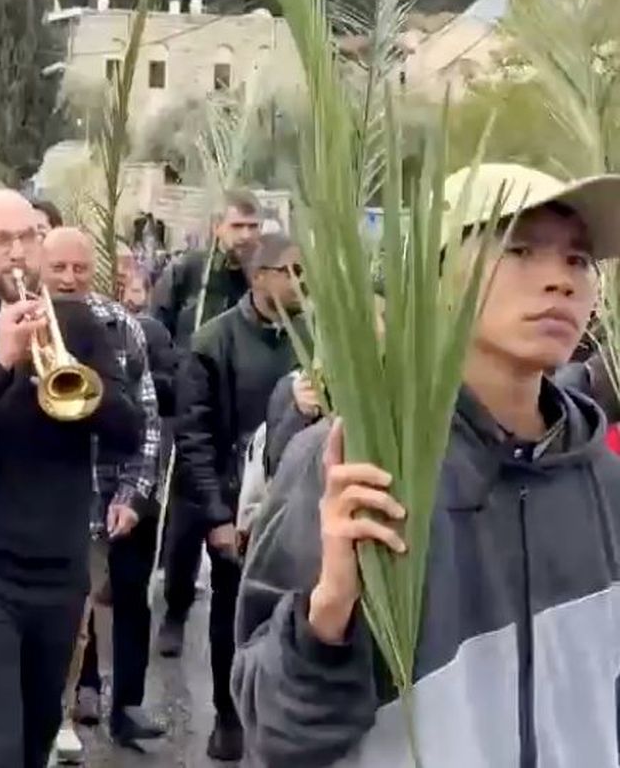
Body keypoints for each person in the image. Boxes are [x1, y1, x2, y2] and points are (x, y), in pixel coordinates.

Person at [236, 164, 620, 765]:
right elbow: (274, 731)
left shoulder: (602, 479)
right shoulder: (354, 469)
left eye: (578, 260)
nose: (560, 282)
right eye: (520, 249)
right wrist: (326, 617)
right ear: (434, 277)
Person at [0, 190, 149, 768]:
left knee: (36, 738)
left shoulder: (81, 324)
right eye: (1, 240)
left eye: (29, 236)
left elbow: (129, 428)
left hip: (59, 565)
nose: (18, 251)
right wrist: (0, 361)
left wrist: (72, 375)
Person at [173, 232, 306, 762]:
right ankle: (228, 715)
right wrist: (216, 515)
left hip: (301, 500)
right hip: (237, 503)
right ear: (260, 278)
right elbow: (194, 434)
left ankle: (285, 715)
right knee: (235, 610)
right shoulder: (213, 342)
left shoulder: (314, 335)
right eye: (292, 271)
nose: (303, 283)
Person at [36, 227, 167, 755]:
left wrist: (133, 494)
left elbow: (150, 418)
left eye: (80, 269)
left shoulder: (123, 327)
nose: (69, 279)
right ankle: (46, 714)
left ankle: (93, 711)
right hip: (38, 500)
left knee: (97, 614)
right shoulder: (19, 323)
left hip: (103, 498)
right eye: (58, 268)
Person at [150, 188, 262, 659]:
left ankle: (234, 617)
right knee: (185, 523)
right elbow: (155, 328)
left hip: (240, 416)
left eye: (255, 227)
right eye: (238, 226)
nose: (247, 236)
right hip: (191, 409)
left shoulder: (261, 277)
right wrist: (182, 373)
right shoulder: (188, 273)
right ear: (218, 227)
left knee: (239, 520)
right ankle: (174, 610)